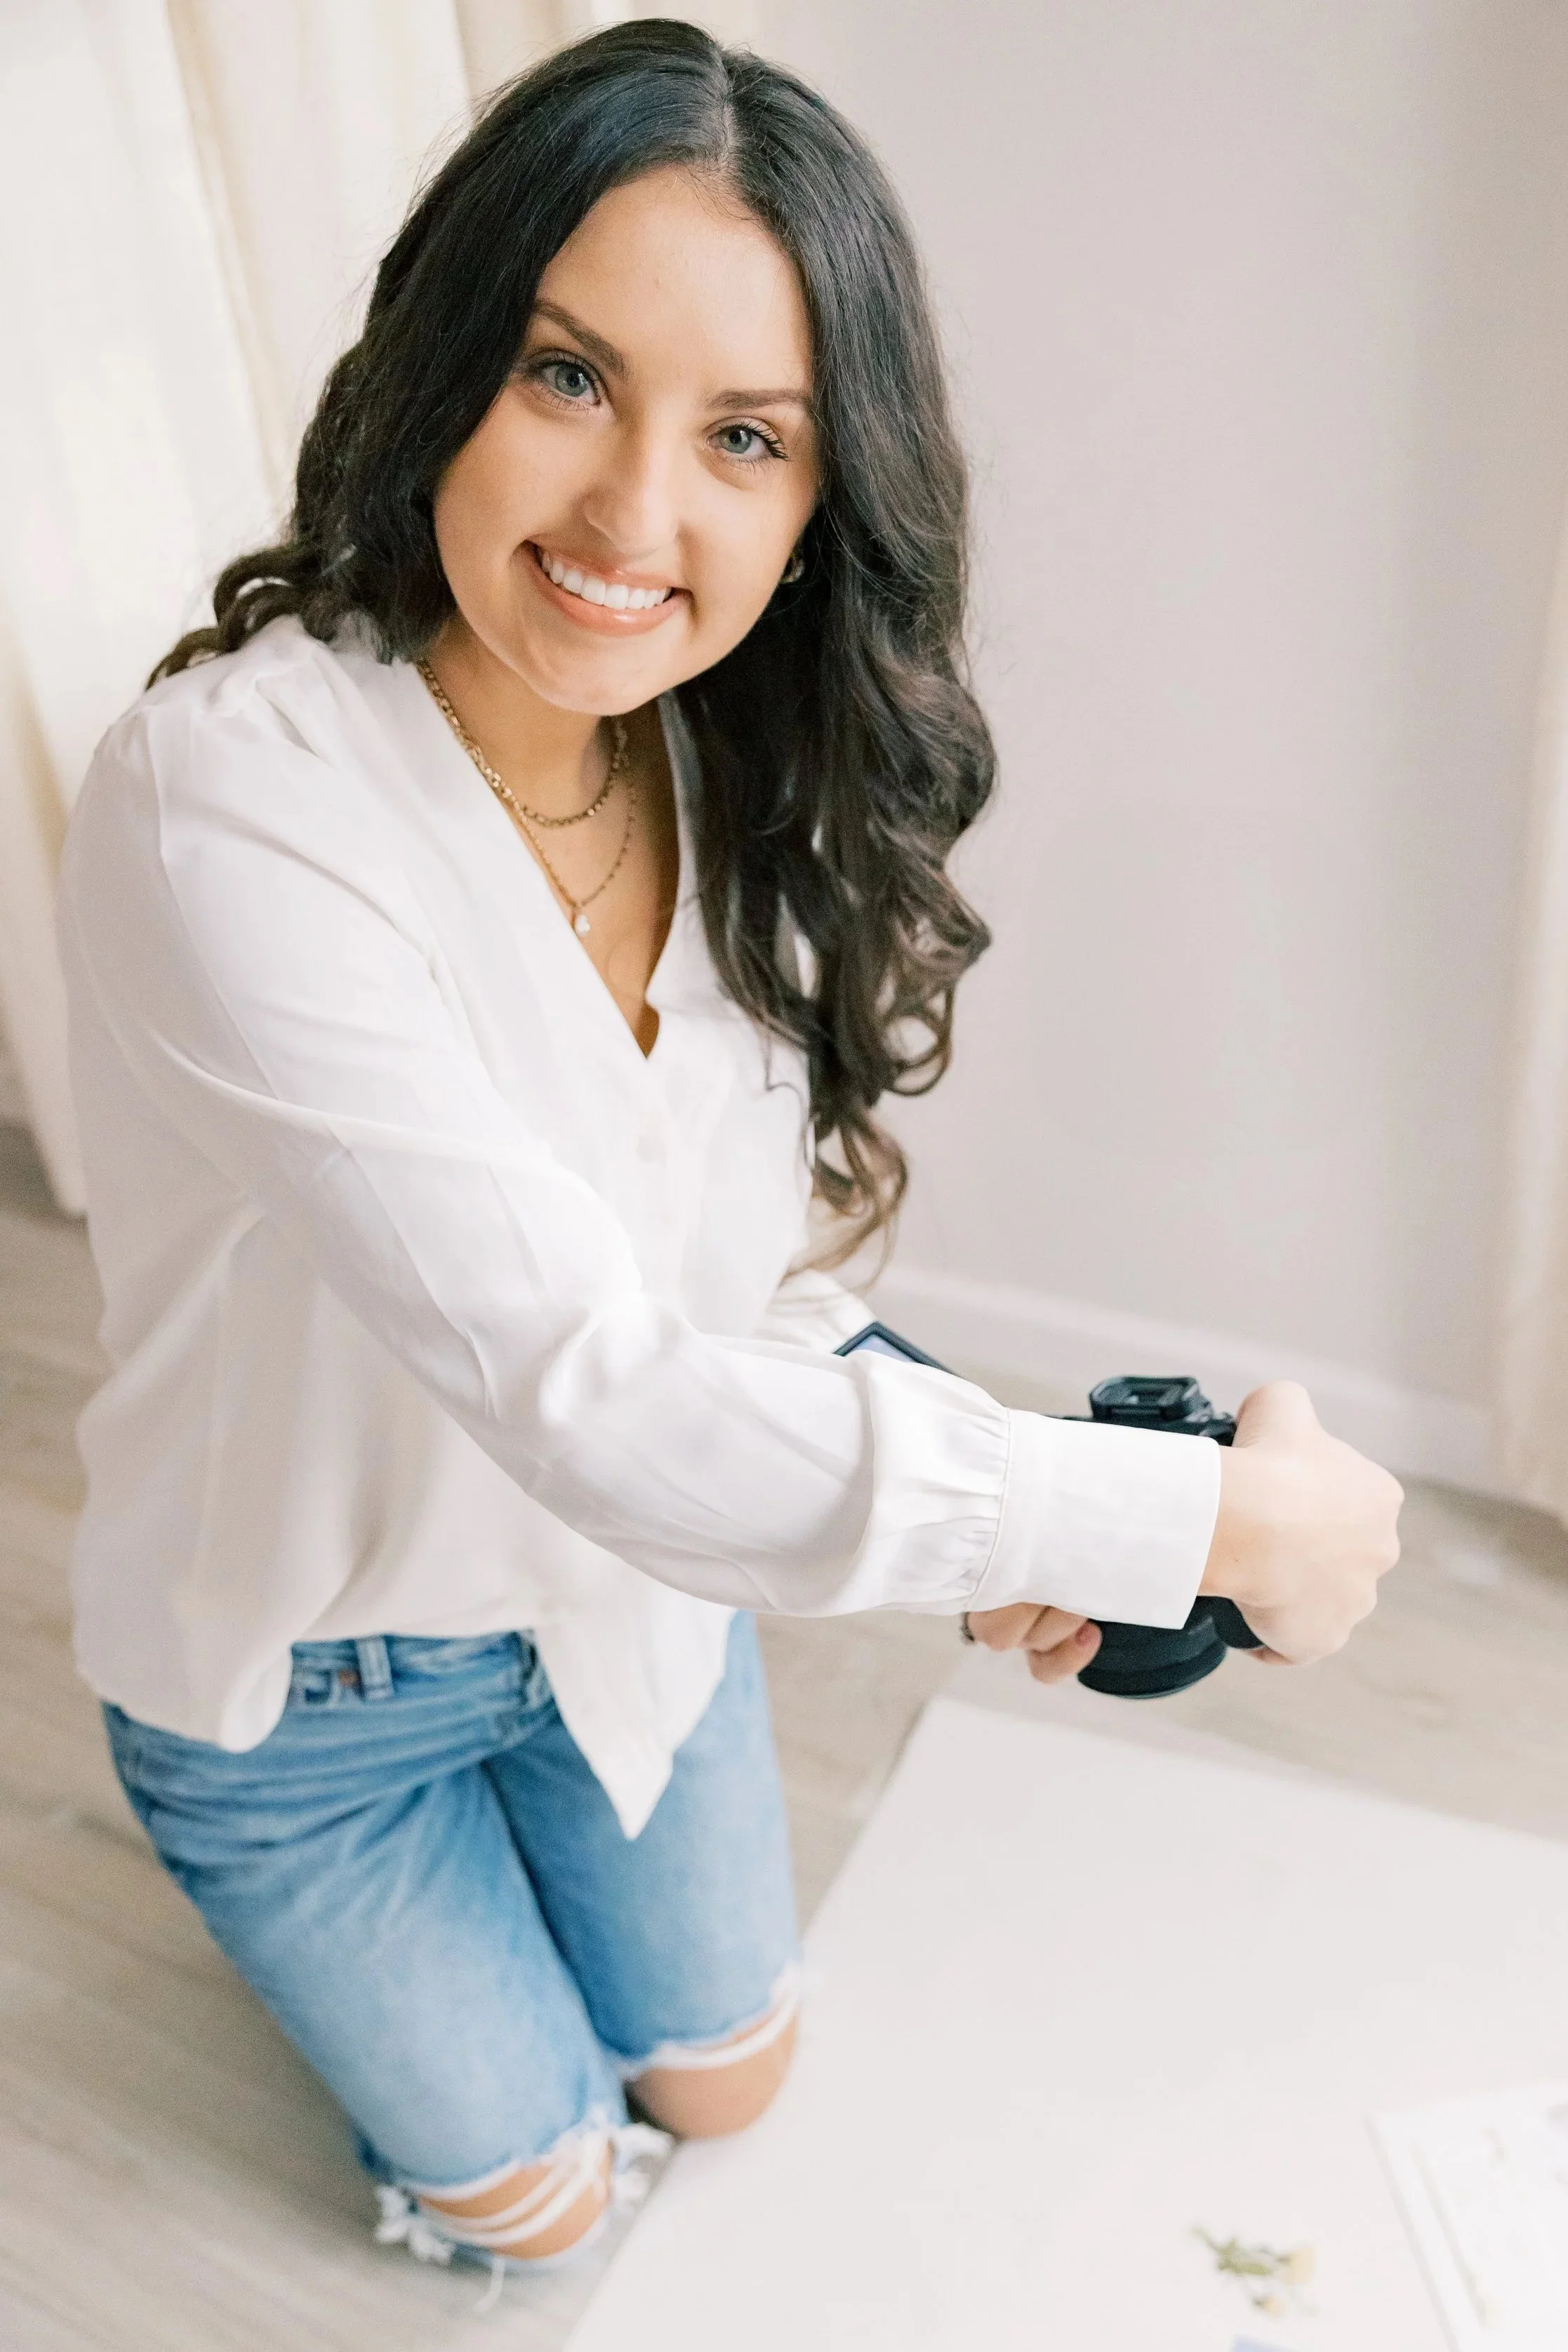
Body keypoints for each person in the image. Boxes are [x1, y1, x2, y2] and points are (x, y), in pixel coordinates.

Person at [58, 20, 1402, 2285]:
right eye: (568, 377)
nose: (631, 517)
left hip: (627, 1608)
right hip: (310, 1690)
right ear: (444, 357)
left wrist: (987, 1473)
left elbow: (734, 1285)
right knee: (545, 2209)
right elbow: (593, 1388)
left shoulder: (725, 771)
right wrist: (1199, 1515)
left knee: (733, 2084)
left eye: (743, 436)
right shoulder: (235, 802)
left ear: (815, 498)